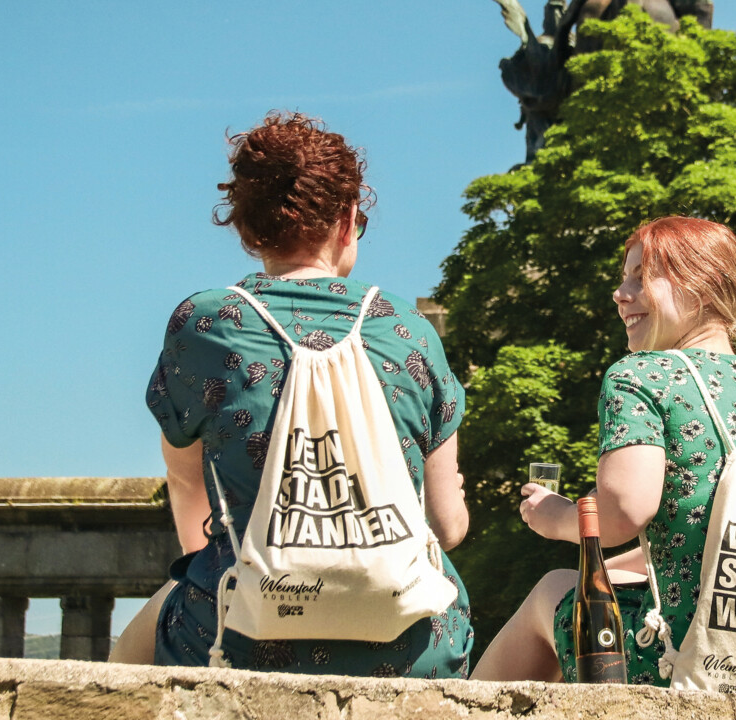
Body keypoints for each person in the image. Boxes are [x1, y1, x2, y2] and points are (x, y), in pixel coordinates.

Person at [119, 112, 472, 677]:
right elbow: (447, 526)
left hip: (239, 635)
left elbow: (188, 485)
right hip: (410, 645)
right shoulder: (407, 329)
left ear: (246, 228)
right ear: (348, 218)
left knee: (125, 663)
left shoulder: (206, 323)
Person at [469, 216, 736, 687]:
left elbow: (624, 511)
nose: (620, 293)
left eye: (640, 277)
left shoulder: (642, 374)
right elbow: (723, 539)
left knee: (554, 590)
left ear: (701, 286)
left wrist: (558, 516)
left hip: (686, 655)